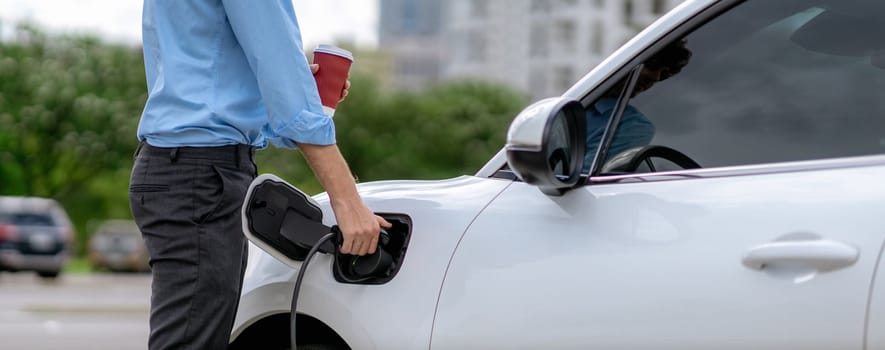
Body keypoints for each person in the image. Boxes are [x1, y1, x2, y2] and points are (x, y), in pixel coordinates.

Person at [128, 1, 391, 349]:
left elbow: (209, 89)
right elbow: (287, 85)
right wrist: (347, 201)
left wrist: (300, 106)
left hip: (184, 168)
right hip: (201, 176)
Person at [583, 39, 692, 172]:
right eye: (652, 65)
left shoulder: (631, 125)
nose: (656, 77)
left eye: (664, 73)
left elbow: (585, 176)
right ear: (620, 62)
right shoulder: (574, 105)